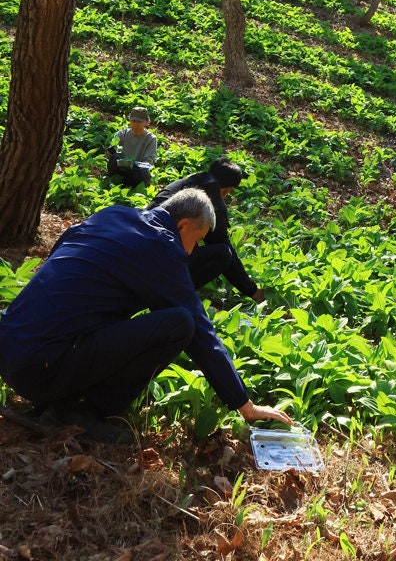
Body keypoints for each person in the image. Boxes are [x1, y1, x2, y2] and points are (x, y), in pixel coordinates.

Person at [0, 189, 291, 444]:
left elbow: (62, 249)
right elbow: (201, 332)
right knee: (179, 323)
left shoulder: (113, 215)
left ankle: (68, 390)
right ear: (183, 224)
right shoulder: (162, 247)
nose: (192, 251)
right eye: (196, 241)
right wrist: (245, 405)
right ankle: (81, 411)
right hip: (41, 370)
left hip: (9, 350)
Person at [149, 157, 263, 302]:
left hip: (142, 243)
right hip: (163, 256)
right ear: (227, 190)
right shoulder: (211, 201)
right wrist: (252, 290)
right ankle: (173, 294)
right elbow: (225, 248)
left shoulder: (182, 183)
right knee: (223, 254)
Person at [106, 106, 157, 187]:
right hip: (120, 169)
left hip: (136, 171)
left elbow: (148, 162)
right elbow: (109, 156)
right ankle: (114, 182)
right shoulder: (122, 134)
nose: (136, 124)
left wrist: (133, 164)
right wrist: (110, 151)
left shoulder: (150, 139)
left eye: (139, 122)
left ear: (147, 122)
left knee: (144, 173)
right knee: (114, 160)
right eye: (133, 121)